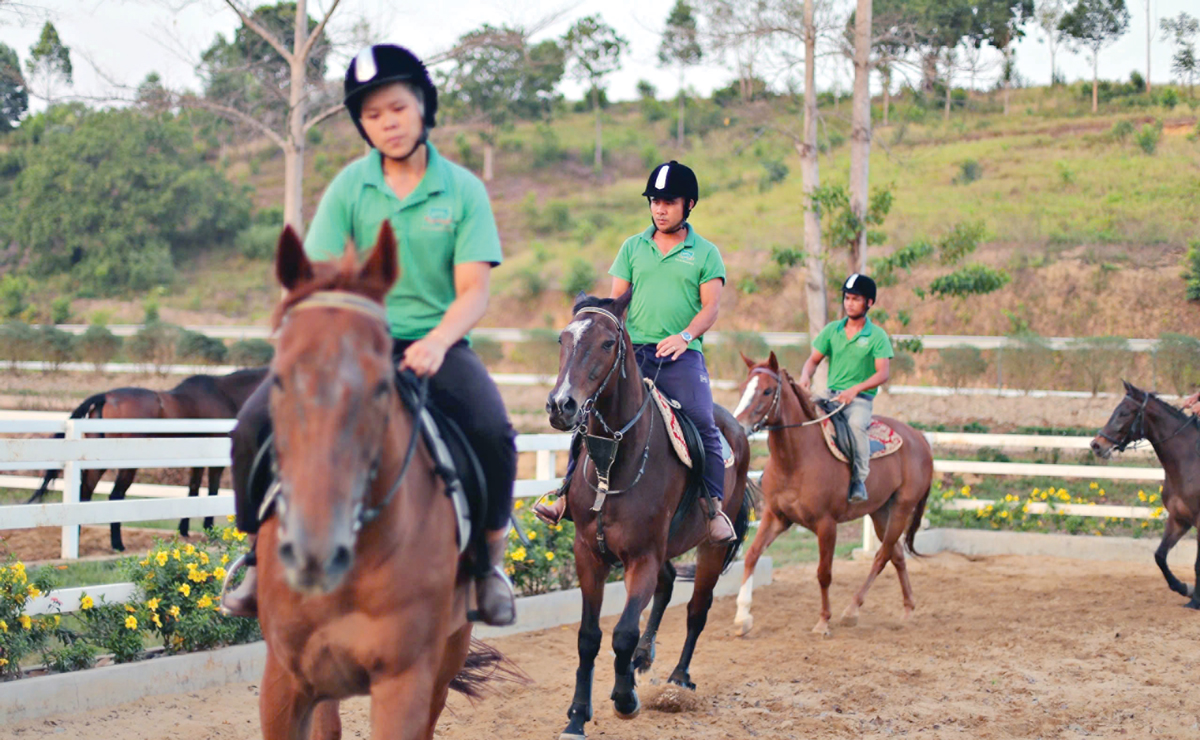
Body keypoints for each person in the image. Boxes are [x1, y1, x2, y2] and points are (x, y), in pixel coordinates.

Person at [221, 44, 518, 626]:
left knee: (494, 431)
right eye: (374, 115)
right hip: (353, 345)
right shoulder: (349, 188)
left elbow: (473, 291)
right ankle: (256, 554)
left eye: (398, 108)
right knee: (250, 425)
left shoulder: (461, 191)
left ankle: (487, 563)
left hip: (435, 346)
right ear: (362, 124)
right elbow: (318, 281)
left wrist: (436, 342)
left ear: (423, 107)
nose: (388, 122)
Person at [534, 161, 736, 544]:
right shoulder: (632, 247)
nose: (659, 208)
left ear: (688, 204)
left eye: (668, 202)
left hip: (681, 356)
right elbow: (616, 303)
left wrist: (685, 336)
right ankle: (564, 495)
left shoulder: (706, 253)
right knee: (588, 415)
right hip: (629, 354)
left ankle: (713, 509)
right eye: (654, 201)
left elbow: (710, 307)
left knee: (703, 422)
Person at [797, 274, 893, 504]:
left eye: (855, 299)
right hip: (830, 395)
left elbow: (883, 373)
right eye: (847, 298)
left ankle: (859, 480)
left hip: (859, 401)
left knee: (856, 426)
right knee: (800, 417)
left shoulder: (877, 336)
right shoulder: (832, 331)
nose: (849, 303)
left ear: (869, 303)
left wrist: (854, 390)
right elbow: (813, 360)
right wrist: (805, 376)